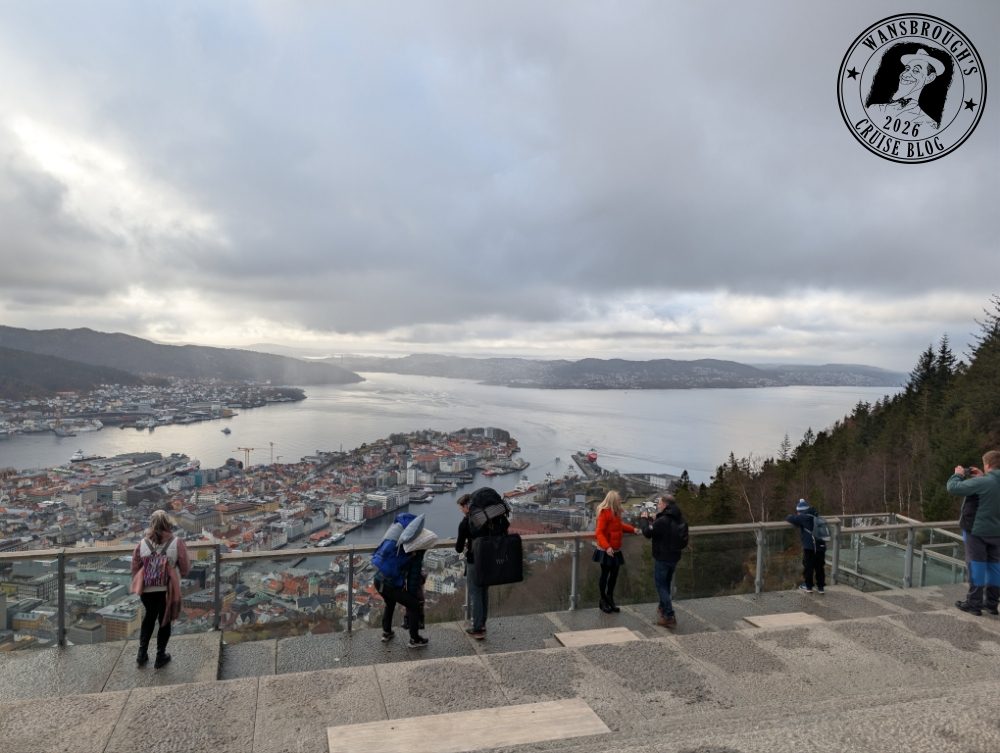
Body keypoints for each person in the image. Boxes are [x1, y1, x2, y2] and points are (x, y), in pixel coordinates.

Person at [130, 510, 191, 668]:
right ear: (168, 524)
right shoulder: (176, 542)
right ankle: (160, 655)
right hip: (167, 590)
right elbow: (185, 568)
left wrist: (149, 574)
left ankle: (141, 654)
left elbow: (135, 568)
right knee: (164, 620)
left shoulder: (142, 543)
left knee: (149, 617)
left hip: (147, 589)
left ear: (151, 524)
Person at [947, 451, 1000, 616]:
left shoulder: (984, 483)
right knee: (995, 567)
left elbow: (953, 488)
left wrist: (958, 475)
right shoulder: (988, 481)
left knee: (977, 565)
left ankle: (973, 604)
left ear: (988, 465)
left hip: (976, 531)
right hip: (997, 533)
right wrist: (983, 477)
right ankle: (991, 603)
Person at [454, 491, 509, 639]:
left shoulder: (466, 522)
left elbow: (458, 548)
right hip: (490, 559)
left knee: (475, 593)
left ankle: (477, 628)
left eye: (461, 507)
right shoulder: (489, 518)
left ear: (467, 506)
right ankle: (482, 623)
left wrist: (466, 544)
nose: (461, 510)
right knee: (484, 591)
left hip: (475, 560)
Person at [373, 513, 429, 648]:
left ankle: (387, 632)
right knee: (414, 605)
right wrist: (413, 595)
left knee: (390, 603)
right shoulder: (412, 553)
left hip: (378, 580)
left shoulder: (396, 543)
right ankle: (414, 639)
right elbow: (412, 578)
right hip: (390, 584)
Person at [866, 48, 943, 131]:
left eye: (916, 70)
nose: (905, 74)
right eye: (907, 69)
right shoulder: (875, 108)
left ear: (930, 78)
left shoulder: (928, 124)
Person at [640, 494, 687, 629]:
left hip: (662, 557)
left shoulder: (663, 520)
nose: (658, 505)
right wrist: (655, 520)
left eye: (659, 503)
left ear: (665, 504)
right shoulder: (679, 518)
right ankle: (662, 607)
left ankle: (669, 615)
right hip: (674, 556)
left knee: (661, 586)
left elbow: (647, 533)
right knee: (666, 584)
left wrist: (644, 520)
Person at [593, 491, 638, 613]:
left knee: (613, 576)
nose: (620, 501)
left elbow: (619, 526)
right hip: (606, 550)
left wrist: (633, 529)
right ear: (613, 500)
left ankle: (609, 598)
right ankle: (603, 600)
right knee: (605, 575)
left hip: (615, 549)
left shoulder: (616, 513)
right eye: (618, 499)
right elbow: (599, 532)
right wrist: (607, 547)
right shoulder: (604, 513)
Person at [786, 498, 826, 594]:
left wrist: (792, 515)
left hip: (810, 547)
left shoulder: (803, 517)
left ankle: (808, 586)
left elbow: (790, 518)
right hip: (821, 545)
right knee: (819, 567)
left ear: (800, 511)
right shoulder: (816, 515)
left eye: (798, 512)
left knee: (809, 567)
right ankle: (821, 587)